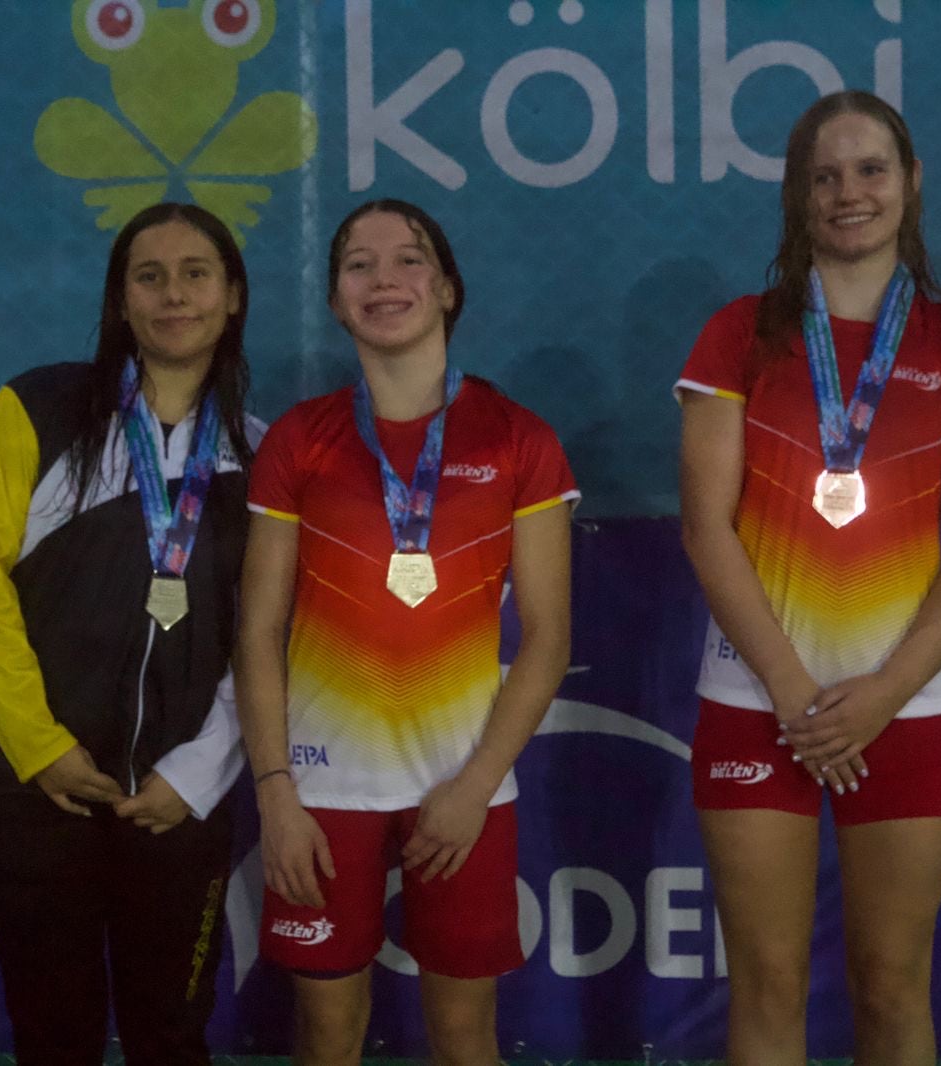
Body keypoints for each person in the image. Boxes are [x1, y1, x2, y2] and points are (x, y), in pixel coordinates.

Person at [675, 91, 941, 1065]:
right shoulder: (736, 334)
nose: (848, 192)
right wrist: (795, 697)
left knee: (890, 985)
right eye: (823, 175)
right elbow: (707, 529)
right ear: (796, 197)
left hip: (901, 709)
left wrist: (880, 697)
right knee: (770, 985)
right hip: (754, 701)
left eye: (870, 168)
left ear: (910, 184)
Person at [236, 199, 576, 1066]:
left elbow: (546, 640)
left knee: (465, 1039)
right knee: (326, 1038)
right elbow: (259, 628)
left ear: (449, 289)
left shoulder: (519, 439)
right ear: (336, 300)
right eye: (358, 264)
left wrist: (477, 786)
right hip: (320, 793)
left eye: (408, 259)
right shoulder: (298, 441)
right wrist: (276, 794)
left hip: (464, 788)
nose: (384, 278)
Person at [0, 202, 260, 1064]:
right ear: (120, 302)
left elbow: (270, 642)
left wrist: (198, 774)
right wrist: (39, 748)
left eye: (197, 273)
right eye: (148, 276)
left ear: (232, 295)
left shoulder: (262, 455)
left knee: (171, 1031)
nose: (174, 295)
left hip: (178, 799)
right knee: (53, 1035)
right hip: (36, 789)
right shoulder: (35, 411)